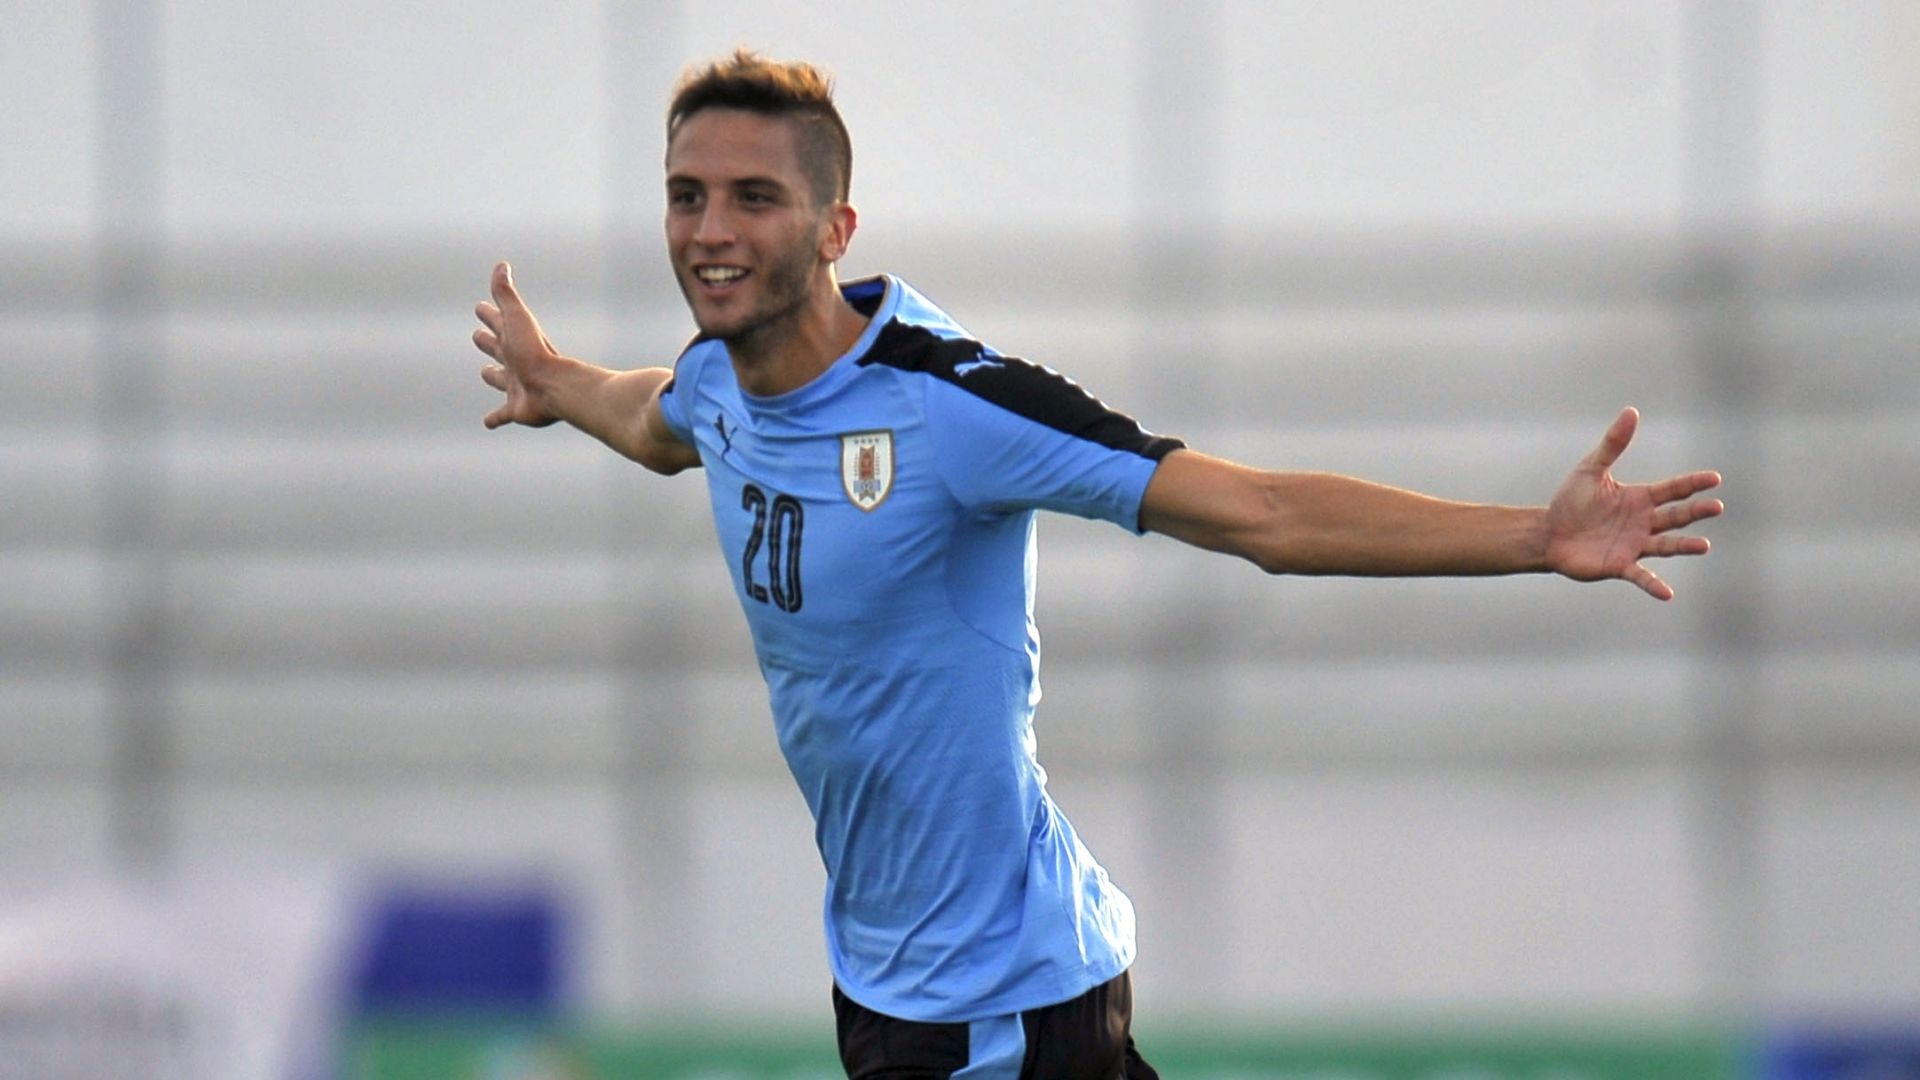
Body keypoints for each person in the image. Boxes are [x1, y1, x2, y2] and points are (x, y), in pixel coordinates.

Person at [472, 48, 1723, 1080]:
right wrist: (557, 382)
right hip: (894, 980)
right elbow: (655, 422)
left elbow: (1260, 515)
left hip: (999, 1008)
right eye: (687, 195)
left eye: (754, 196)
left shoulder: (955, 407)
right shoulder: (717, 386)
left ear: (836, 225)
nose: (710, 229)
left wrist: (1531, 536)